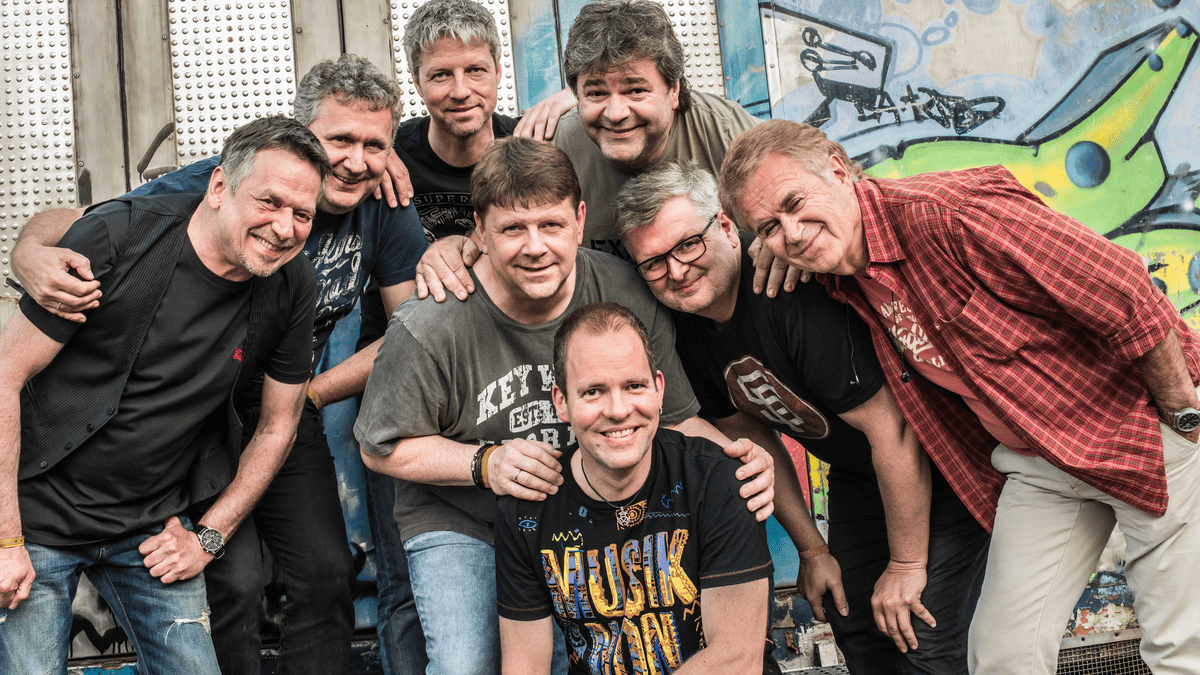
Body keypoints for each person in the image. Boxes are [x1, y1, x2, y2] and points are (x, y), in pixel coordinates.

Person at [719, 118, 1200, 674]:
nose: (793, 232)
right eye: (770, 227)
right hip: (1039, 463)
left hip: (1138, 428)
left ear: (837, 169)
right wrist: (782, 237)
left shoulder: (949, 215)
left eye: (795, 203)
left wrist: (1183, 420)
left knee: (1178, 648)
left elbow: (1126, 289)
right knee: (1001, 655)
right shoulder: (838, 274)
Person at [10, 55, 428, 675]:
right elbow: (85, 223)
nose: (357, 160)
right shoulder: (214, 190)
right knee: (230, 584)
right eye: (340, 140)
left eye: (376, 145)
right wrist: (28, 251)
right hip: (197, 416)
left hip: (282, 402)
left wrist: (314, 393)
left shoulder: (370, 216)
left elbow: (406, 331)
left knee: (325, 573)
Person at [355, 137, 775, 675]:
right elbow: (381, 448)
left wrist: (740, 462)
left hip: (580, 513)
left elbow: (670, 414)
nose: (535, 247)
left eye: (551, 225)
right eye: (512, 229)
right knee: (465, 664)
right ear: (479, 230)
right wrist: (485, 463)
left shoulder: (622, 290)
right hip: (464, 518)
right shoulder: (430, 322)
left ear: (579, 221)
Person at [615, 161, 989, 673]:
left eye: (688, 245)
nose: (676, 271)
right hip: (862, 474)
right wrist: (812, 551)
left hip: (941, 461)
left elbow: (895, 431)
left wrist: (906, 564)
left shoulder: (787, 290)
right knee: (857, 627)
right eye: (654, 263)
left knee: (922, 635)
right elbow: (750, 435)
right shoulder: (685, 330)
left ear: (725, 226)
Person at [0, 116, 325, 674]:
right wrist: (6, 541)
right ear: (219, 186)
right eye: (270, 202)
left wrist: (209, 538)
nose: (284, 228)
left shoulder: (292, 285)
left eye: (303, 214)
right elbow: (5, 376)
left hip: (150, 527)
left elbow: (278, 426)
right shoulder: (122, 236)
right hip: (37, 522)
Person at [495, 301, 778, 674]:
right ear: (561, 402)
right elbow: (525, 665)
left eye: (634, 386)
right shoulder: (528, 510)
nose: (618, 410)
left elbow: (737, 659)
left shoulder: (717, 480)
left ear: (659, 390)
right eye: (593, 391)